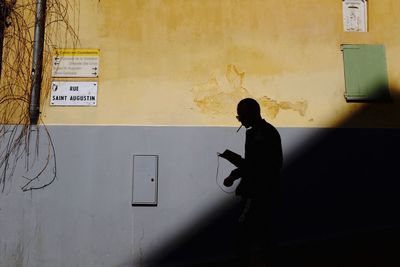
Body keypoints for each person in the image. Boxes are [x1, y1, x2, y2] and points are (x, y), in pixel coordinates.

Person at [218, 98, 283, 266]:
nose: (240, 121)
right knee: (260, 233)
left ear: (249, 115)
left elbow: (255, 165)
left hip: (256, 192)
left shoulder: (260, 135)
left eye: (241, 117)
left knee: (242, 232)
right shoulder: (265, 131)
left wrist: (233, 170)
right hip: (265, 191)